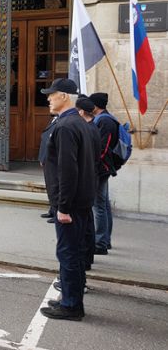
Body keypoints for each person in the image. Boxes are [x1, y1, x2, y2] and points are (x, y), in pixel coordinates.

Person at [39, 78, 96, 321]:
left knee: (68, 254)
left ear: (64, 96)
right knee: (76, 253)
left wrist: (62, 206)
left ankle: (71, 305)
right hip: (81, 201)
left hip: (70, 204)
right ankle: (71, 299)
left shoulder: (65, 126)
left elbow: (67, 170)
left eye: (52, 95)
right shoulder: (80, 123)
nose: (48, 99)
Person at [89, 92, 118, 255]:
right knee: (103, 204)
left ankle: (101, 243)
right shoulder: (105, 119)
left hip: (101, 168)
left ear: (96, 105)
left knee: (99, 205)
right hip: (103, 167)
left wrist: (93, 166)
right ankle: (105, 240)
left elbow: (103, 148)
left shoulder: (105, 121)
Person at [75, 95, 102, 273]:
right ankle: (87, 256)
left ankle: (85, 259)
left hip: (86, 180)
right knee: (87, 221)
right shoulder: (92, 128)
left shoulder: (88, 129)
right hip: (90, 178)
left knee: (84, 224)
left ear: (82, 112)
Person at [39, 115, 58, 224]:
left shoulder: (61, 120)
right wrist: (42, 157)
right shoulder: (54, 119)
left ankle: (57, 212)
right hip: (47, 158)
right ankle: (52, 209)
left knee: (54, 187)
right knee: (50, 186)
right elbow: (45, 139)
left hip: (53, 160)